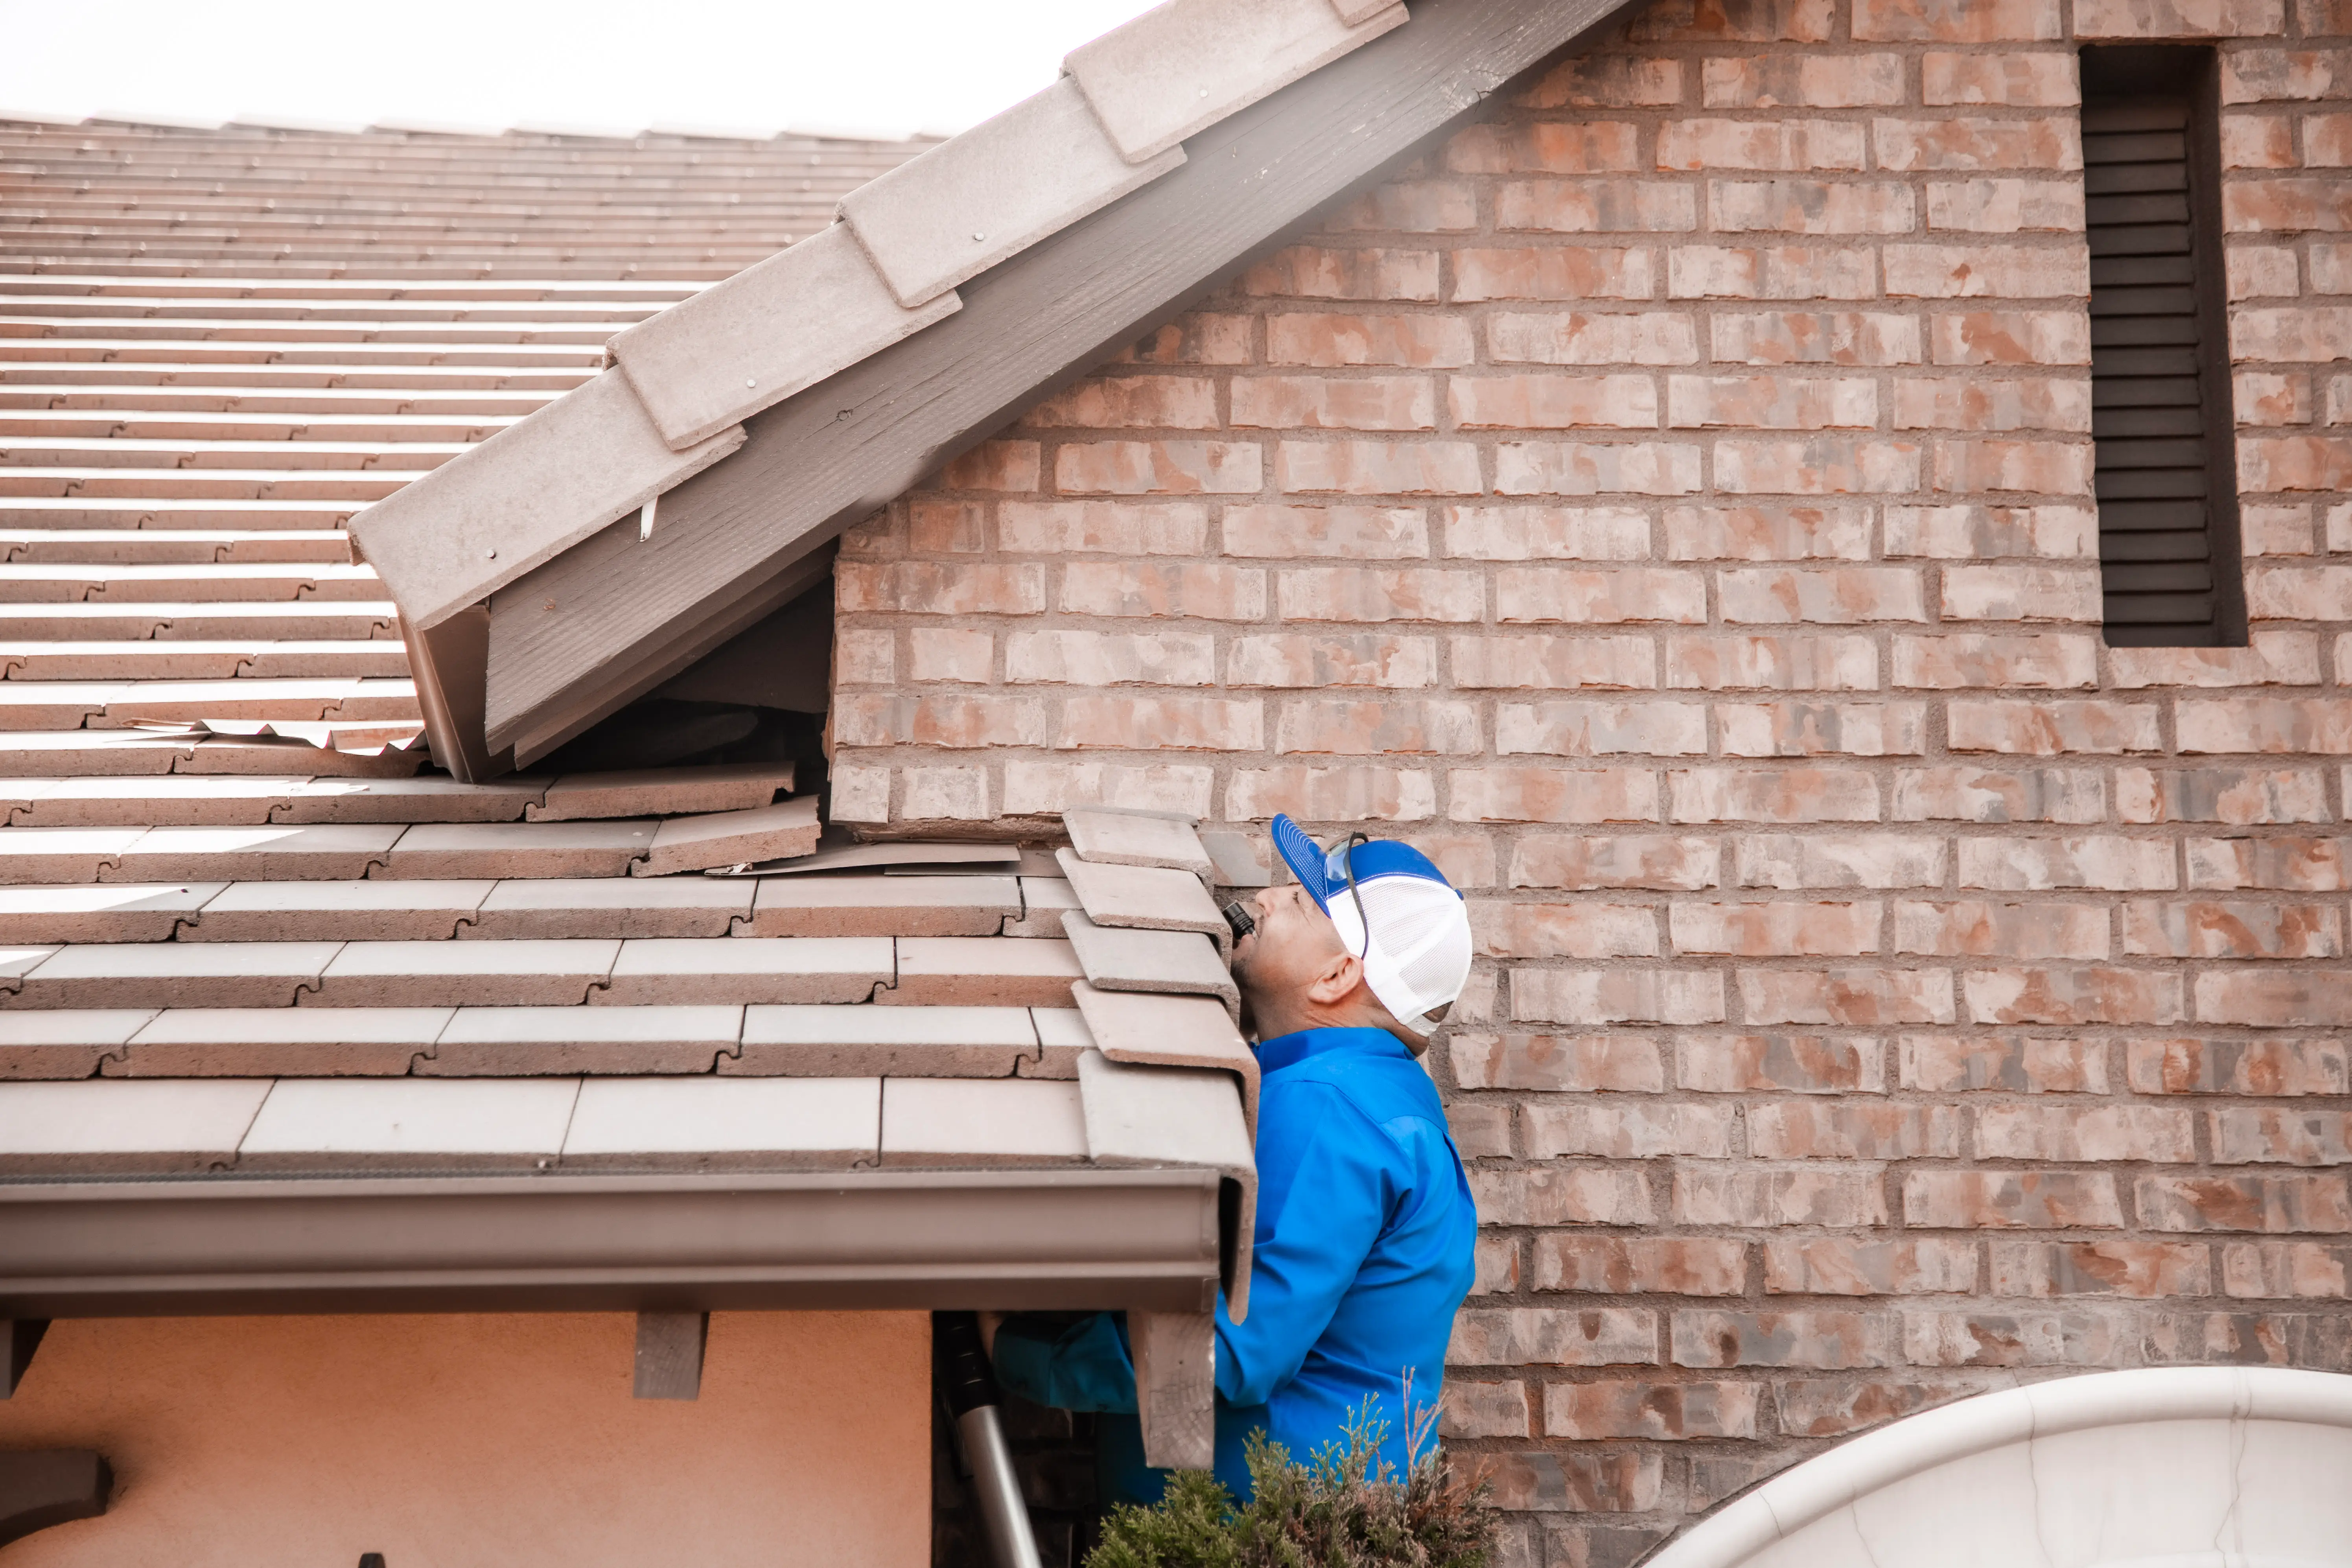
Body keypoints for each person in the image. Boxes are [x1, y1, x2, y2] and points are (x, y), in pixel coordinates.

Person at [991, 814, 1480, 1508]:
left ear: (1340, 974)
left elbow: (1232, 1349)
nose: (1268, 898)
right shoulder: (1384, 1099)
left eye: (1300, 901)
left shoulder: (1328, 1109)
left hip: (1255, 1532)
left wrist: (1021, 1355)